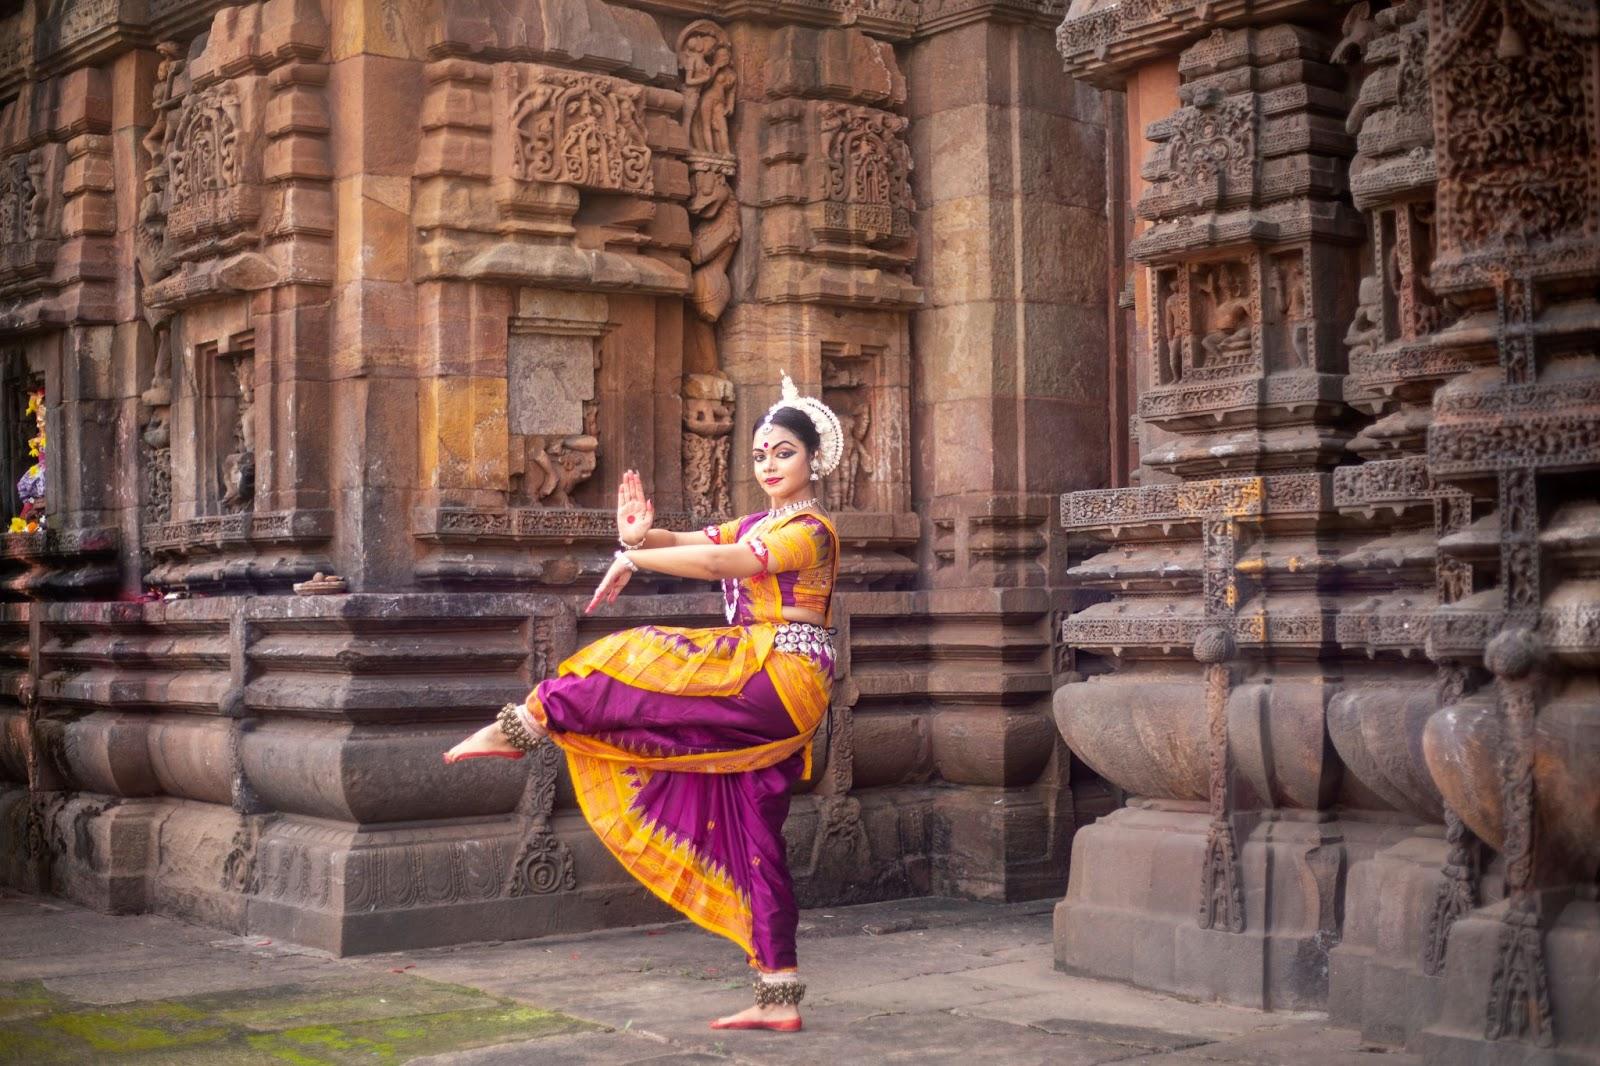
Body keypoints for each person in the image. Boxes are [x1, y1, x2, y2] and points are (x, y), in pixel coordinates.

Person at [445, 374, 844, 1034]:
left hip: (780, 676)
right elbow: (693, 543)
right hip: (761, 674)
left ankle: (528, 723)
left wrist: (643, 559)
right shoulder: (762, 520)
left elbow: (729, 564)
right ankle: (779, 998)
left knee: (633, 657)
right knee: (755, 838)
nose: (770, 465)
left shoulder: (812, 530)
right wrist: (640, 538)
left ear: (813, 459)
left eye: (783, 453)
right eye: (760, 455)